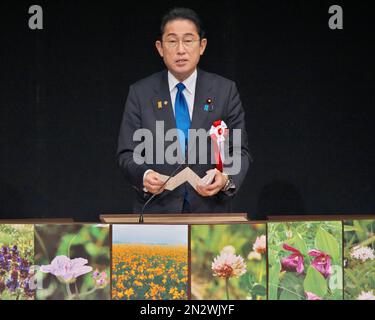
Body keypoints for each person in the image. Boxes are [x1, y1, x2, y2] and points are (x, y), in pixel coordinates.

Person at [117, 7, 251, 213]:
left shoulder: (225, 90)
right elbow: (127, 154)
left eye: (188, 40)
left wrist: (225, 178)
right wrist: (144, 175)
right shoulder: (140, 93)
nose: (181, 49)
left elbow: (239, 151)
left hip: (210, 211)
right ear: (160, 48)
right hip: (157, 211)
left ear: (202, 46)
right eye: (172, 41)